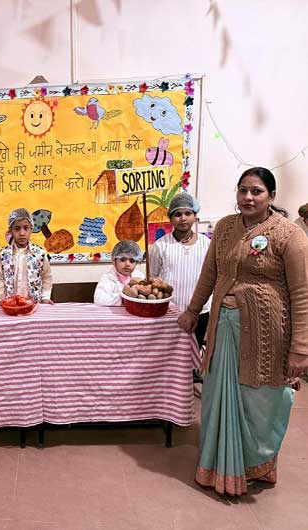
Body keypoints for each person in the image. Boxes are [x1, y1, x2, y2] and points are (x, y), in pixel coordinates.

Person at [177, 167, 308, 496]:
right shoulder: (224, 227)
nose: (248, 197)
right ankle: (218, 466)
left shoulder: (289, 235)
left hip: (268, 335)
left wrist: (301, 347)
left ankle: (256, 464)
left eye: (256, 191)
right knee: (216, 395)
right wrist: (193, 310)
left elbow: (302, 294)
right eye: (243, 190)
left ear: (271, 196)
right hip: (223, 328)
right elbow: (210, 275)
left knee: (261, 400)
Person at [149, 192, 211, 348]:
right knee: (168, 355)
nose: (183, 218)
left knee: (194, 352)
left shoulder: (207, 244)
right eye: (177, 214)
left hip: (200, 312)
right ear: (170, 218)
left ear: (195, 216)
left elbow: (213, 277)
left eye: (188, 213)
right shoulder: (160, 246)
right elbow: (153, 277)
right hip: (168, 313)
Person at [0, 208, 53, 303]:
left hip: (33, 304)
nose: (22, 233)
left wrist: (45, 297)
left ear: (31, 229)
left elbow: (46, 276)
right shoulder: (3, 254)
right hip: (10, 304)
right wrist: (0, 300)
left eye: (26, 228)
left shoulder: (39, 253)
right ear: (11, 231)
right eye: (17, 229)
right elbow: (0, 278)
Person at [94, 240, 144, 306]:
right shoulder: (108, 278)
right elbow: (99, 299)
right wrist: (124, 296)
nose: (127, 264)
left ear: (136, 262)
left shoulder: (140, 276)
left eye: (132, 261)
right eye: (122, 260)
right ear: (114, 260)